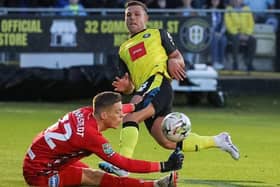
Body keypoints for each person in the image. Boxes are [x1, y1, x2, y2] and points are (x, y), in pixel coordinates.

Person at [99, 0, 240, 177]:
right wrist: (127, 87)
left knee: (130, 117)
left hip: (159, 82)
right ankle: (219, 140)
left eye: (137, 14)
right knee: (166, 141)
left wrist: (174, 61)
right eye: (128, 15)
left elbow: (177, 57)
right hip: (144, 89)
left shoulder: (158, 34)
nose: (132, 18)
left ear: (146, 17)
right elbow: (131, 85)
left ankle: (123, 165)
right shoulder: (122, 50)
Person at [22, 91, 184, 187]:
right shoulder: (90, 135)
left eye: (122, 110)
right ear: (105, 115)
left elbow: (117, 109)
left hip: (45, 158)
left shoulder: (87, 112)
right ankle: (155, 185)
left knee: (95, 177)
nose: (122, 114)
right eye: (118, 112)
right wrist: (164, 165)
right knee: (94, 177)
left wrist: (135, 106)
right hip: (39, 172)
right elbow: (123, 163)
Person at [224, 0, 256, 71]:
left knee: (253, 40)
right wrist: (237, 34)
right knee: (236, 39)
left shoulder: (247, 9)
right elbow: (228, 24)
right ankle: (235, 63)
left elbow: (251, 23)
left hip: (245, 33)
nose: (237, 1)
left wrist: (247, 33)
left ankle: (249, 63)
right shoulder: (228, 9)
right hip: (232, 33)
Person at [206, 0, 227, 70]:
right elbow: (205, 23)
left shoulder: (221, 11)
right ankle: (214, 62)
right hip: (208, 34)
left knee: (223, 40)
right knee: (214, 39)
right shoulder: (207, 10)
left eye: (217, 0)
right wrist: (213, 33)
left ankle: (221, 62)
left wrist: (220, 33)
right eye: (213, 0)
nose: (215, 1)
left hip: (219, 33)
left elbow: (224, 24)